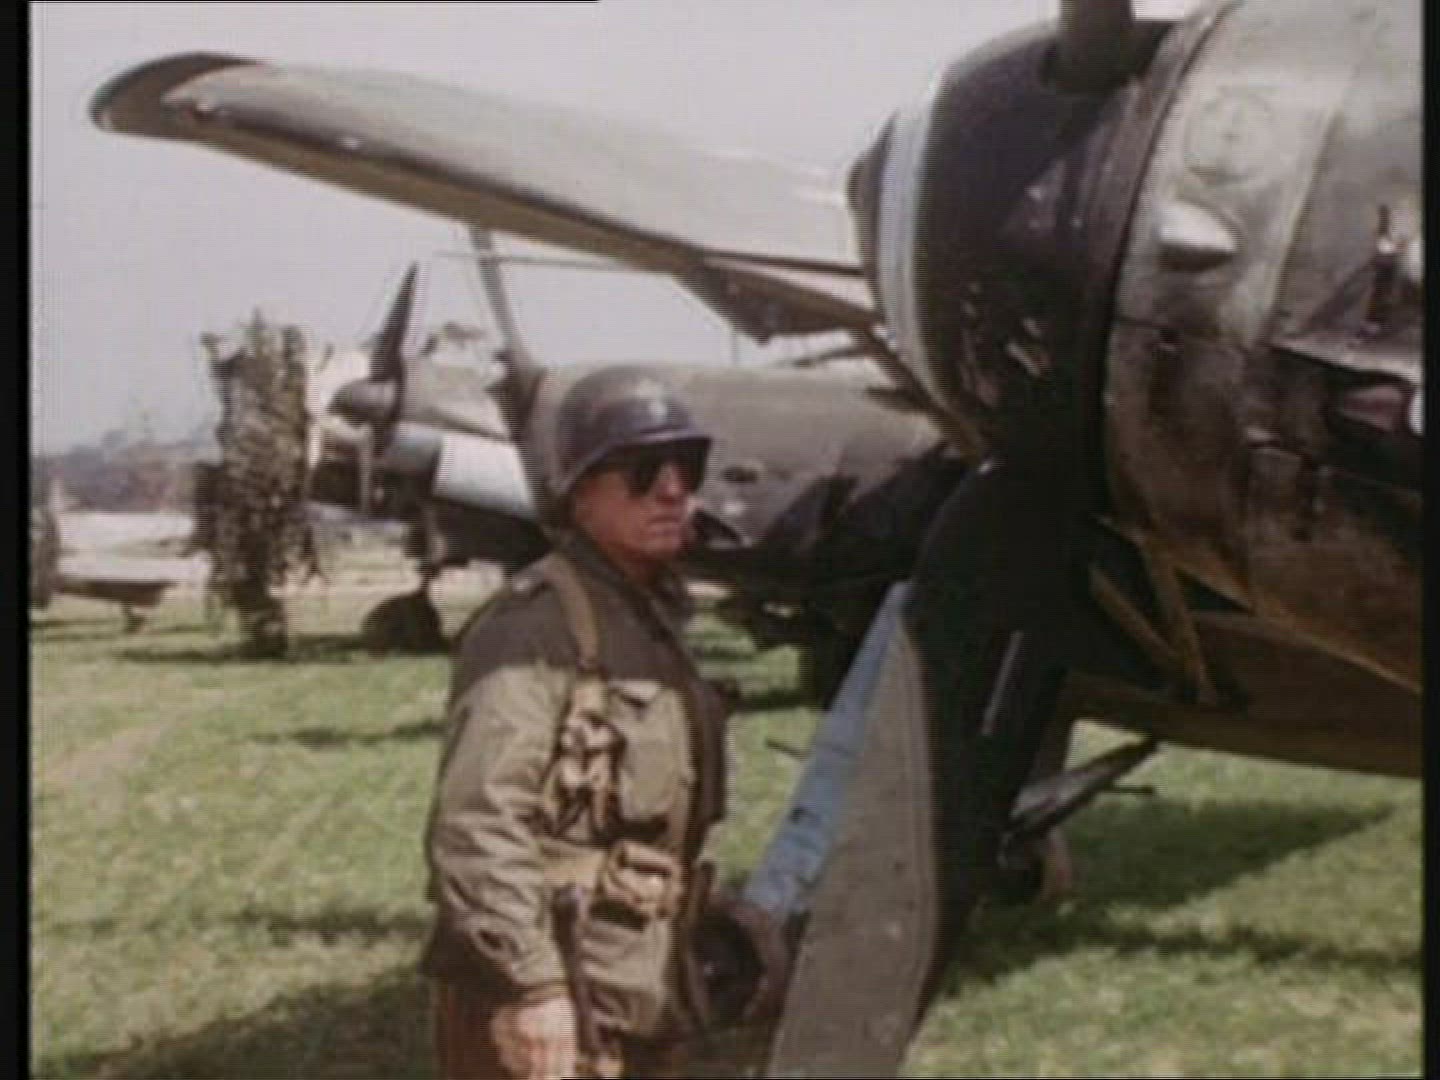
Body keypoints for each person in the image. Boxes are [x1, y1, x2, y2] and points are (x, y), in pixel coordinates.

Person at [422, 367, 731, 1079]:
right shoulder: (537, 624)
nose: (672, 490)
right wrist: (532, 988)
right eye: (642, 471)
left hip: (632, 985)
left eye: (686, 467)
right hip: (559, 997)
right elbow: (478, 820)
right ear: (579, 494)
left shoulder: (648, 618)